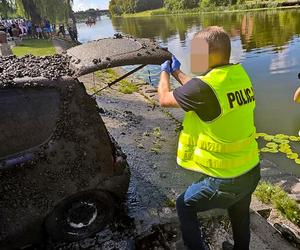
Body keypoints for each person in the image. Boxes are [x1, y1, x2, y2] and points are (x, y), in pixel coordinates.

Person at [158, 26, 261, 250]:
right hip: (251, 170)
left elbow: (165, 99)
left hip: (225, 179)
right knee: (239, 212)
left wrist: (164, 73)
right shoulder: (237, 76)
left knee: (184, 205)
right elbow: (199, 92)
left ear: (208, 53)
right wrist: (177, 72)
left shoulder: (205, 87)